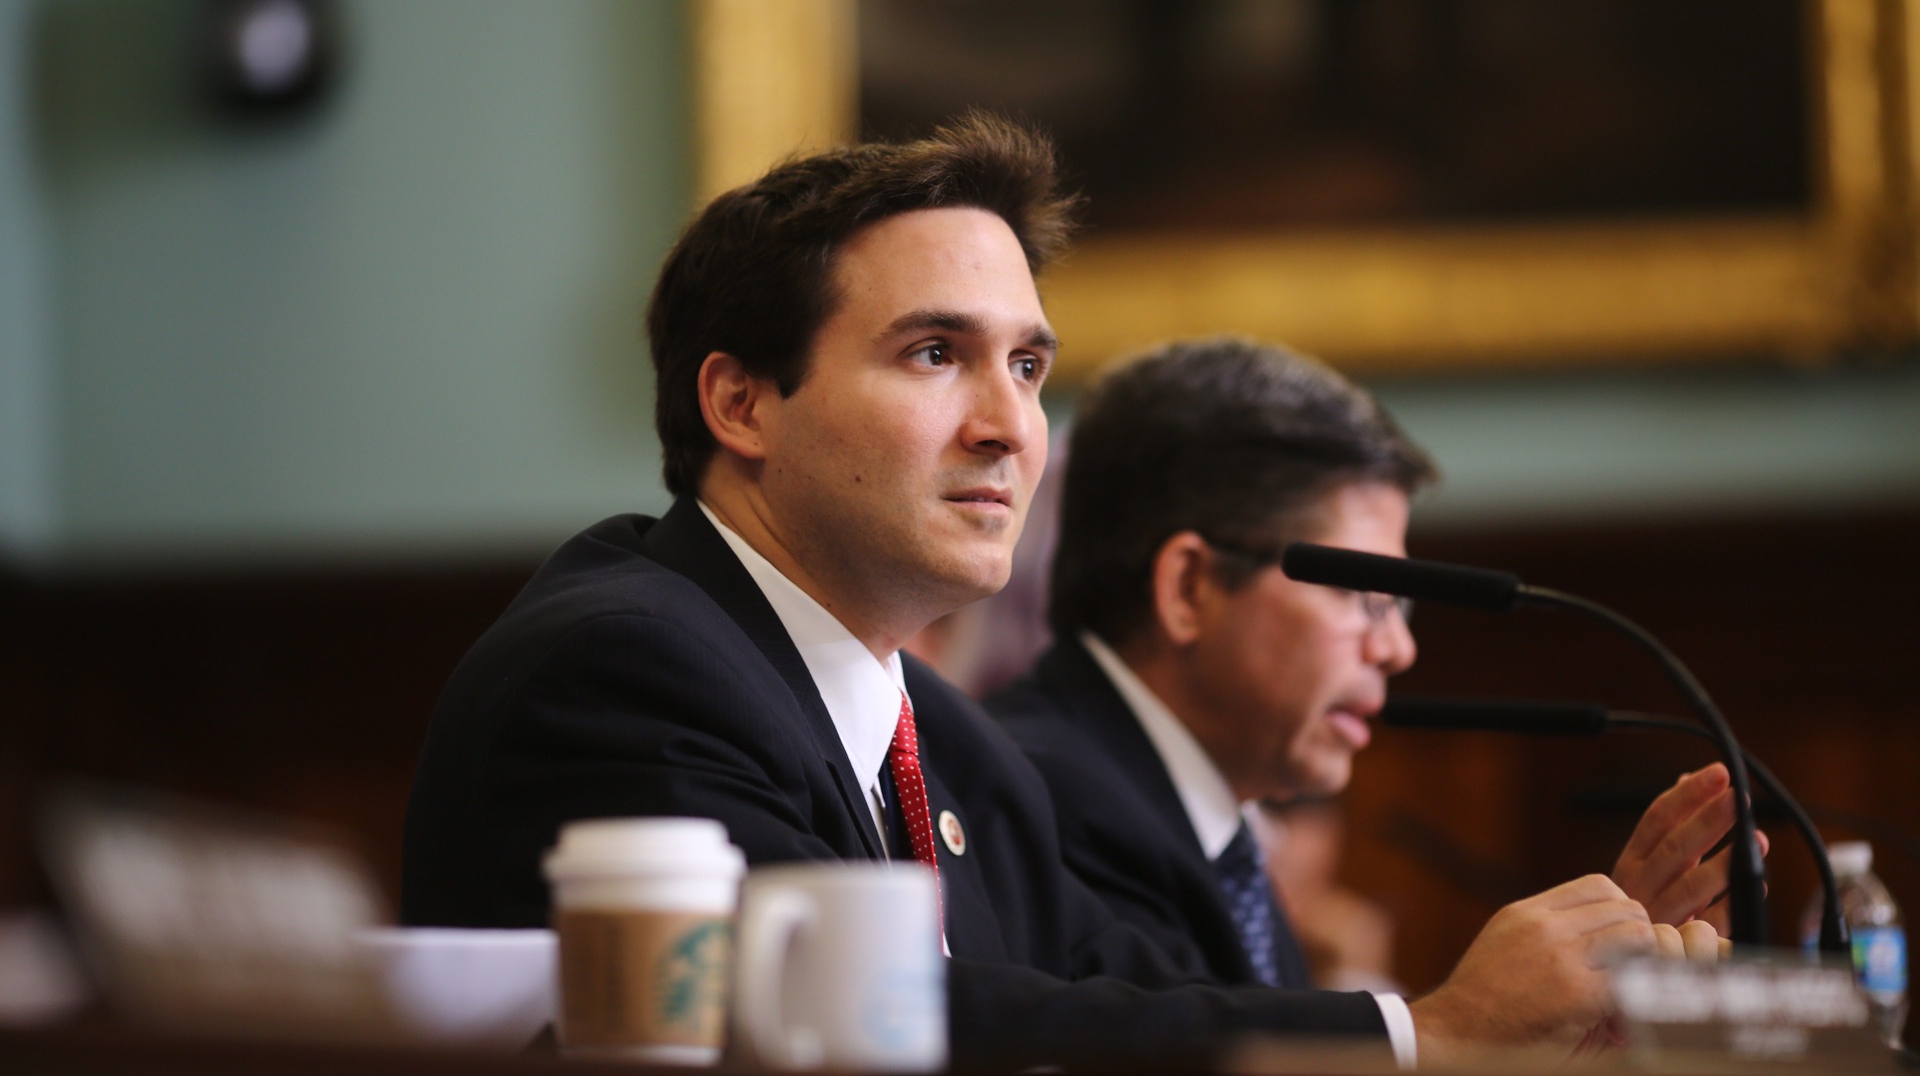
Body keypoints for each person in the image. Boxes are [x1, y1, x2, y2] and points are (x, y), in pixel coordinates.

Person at [402, 115, 1708, 1069]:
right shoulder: (627, 664)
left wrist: (1530, 1030)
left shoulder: (946, 736)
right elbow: (865, 1028)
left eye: (1028, 369)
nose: (1010, 429)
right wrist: (1427, 1035)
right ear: (741, 401)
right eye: (933, 355)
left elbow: (1145, 1012)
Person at [987, 338, 1745, 1000]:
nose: (1397, 650)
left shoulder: (1207, 825)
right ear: (1191, 588)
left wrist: (1585, 999)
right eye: (1362, 597)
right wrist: (1481, 1026)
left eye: (1400, 607)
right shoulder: (1048, 804)